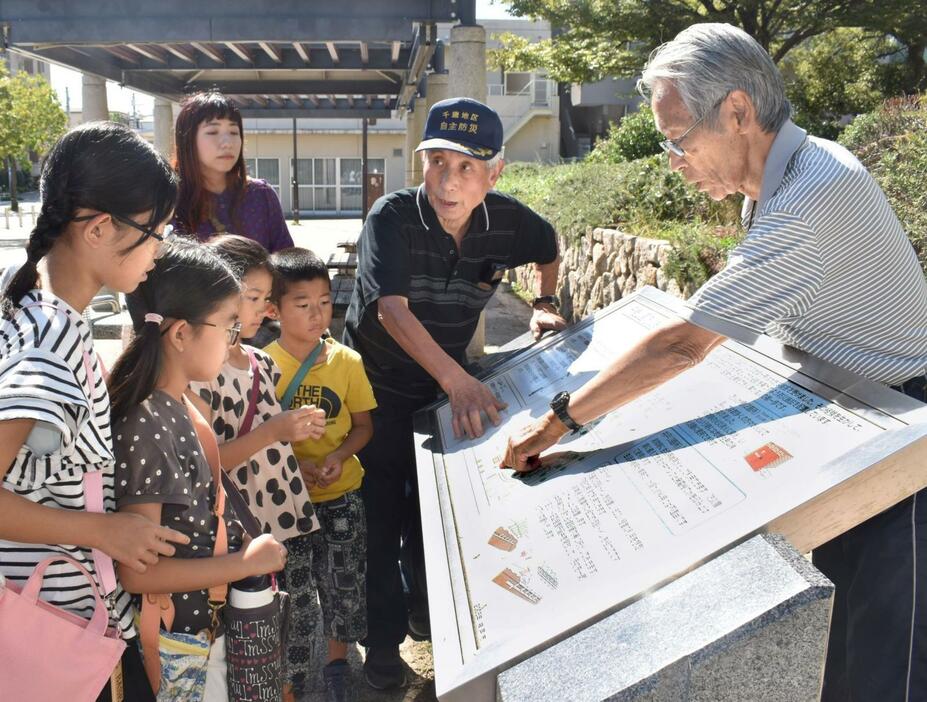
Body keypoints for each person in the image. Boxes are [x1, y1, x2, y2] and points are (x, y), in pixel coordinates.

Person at [501, 23, 927, 702]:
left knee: (882, 660)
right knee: (841, 641)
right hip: (850, 410)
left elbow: (682, 344)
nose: (672, 158)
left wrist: (559, 422)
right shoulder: (782, 177)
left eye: (679, 138)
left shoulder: (810, 195)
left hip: (902, 427)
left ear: (736, 112)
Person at [342, 96, 567, 689]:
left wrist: (544, 306)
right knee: (379, 515)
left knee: (436, 511)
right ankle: (385, 646)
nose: (448, 180)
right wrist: (459, 379)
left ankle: (426, 616)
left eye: (467, 166)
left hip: (443, 392)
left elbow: (551, 250)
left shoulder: (510, 222)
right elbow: (391, 311)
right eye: (437, 161)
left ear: (495, 174)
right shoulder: (391, 217)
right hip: (377, 391)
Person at [0, 122, 189, 702]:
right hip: (43, 632)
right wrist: (103, 530)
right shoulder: (52, 338)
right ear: (100, 229)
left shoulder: (27, 300)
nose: (161, 249)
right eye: (155, 231)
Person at [109, 238, 288, 701]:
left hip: (195, 632)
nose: (235, 337)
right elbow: (138, 574)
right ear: (181, 333)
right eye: (228, 325)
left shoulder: (178, 404)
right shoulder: (148, 422)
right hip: (175, 642)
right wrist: (241, 564)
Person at [188, 233, 327, 700]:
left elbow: (272, 435)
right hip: (241, 528)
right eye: (251, 298)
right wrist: (275, 432)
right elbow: (210, 464)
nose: (260, 310)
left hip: (284, 511)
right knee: (252, 625)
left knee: (296, 616)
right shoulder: (200, 373)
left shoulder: (261, 361)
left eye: (265, 299)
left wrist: (294, 436)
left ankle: (293, 687)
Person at [265, 247, 377, 702]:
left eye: (325, 302)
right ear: (273, 310)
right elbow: (260, 438)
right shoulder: (262, 366)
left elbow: (365, 426)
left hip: (343, 495)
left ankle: (335, 664)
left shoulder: (346, 362)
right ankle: (291, 675)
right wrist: (296, 465)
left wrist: (339, 457)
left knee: (343, 582)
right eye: (302, 304)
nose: (317, 314)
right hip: (286, 502)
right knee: (292, 592)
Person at [172, 91, 294, 252]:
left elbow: (286, 261)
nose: (227, 143)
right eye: (212, 132)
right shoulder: (169, 200)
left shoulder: (261, 194)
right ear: (187, 140)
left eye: (234, 132)